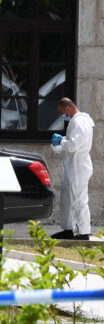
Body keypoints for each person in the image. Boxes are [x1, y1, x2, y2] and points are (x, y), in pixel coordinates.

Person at [50, 97, 93, 240]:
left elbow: (74, 145)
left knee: (79, 199)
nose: (63, 116)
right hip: (73, 165)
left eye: (63, 112)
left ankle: (84, 232)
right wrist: (62, 142)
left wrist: (61, 141)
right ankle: (68, 229)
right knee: (68, 199)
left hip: (79, 166)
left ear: (68, 108)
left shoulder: (80, 122)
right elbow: (71, 144)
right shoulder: (78, 120)